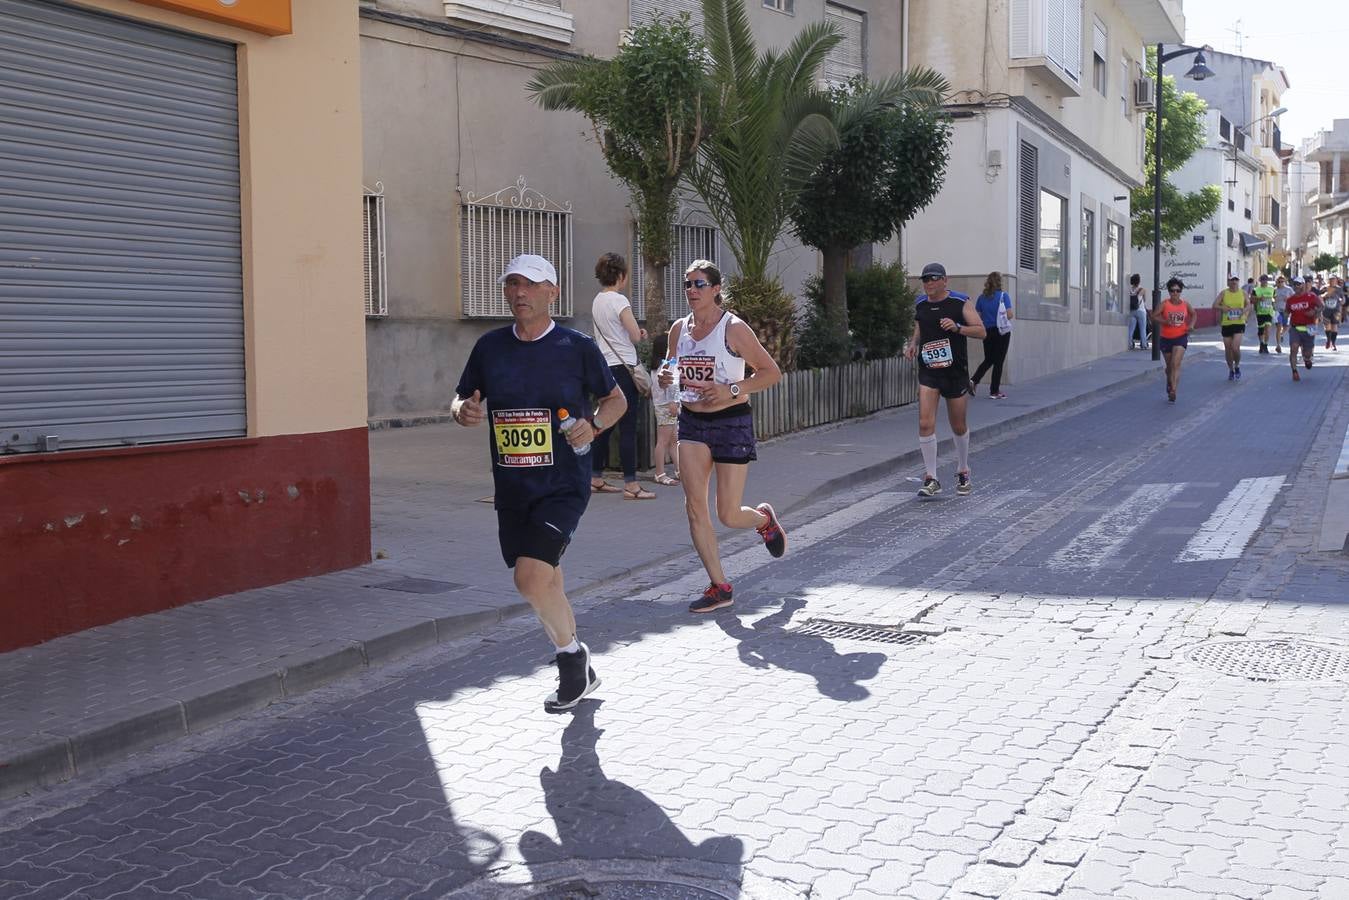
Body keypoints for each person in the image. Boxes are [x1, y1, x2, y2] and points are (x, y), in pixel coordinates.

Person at [451, 253, 627, 711]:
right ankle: (579, 664)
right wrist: (461, 412)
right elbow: (461, 398)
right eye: (511, 284)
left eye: (529, 284)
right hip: (512, 487)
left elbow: (616, 400)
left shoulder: (576, 347)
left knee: (528, 579)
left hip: (564, 483)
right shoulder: (490, 347)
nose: (519, 293)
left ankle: (570, 659)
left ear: (553, 292)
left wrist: (596, 425)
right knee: (546, 581)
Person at [658, 260, 786, 614]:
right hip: (693, 425)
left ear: (716, 289)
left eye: (699, 284)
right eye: (687, 285)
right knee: (695, 507)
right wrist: (666, 378)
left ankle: (764, 520)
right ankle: (720, 585)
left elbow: (770, 373)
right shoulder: (678, 329)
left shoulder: (734, 328)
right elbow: (669, 366)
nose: (692, 291)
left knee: (728, 514)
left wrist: (731, 388)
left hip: (731, 422)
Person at [905, 262, 986, 497]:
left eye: (933, 278)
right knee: (924, 423)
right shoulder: (920, 304)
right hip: (929, 370)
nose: (928, 283)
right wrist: (913, 344)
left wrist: (958, 327)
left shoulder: (960, 302)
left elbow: (981, 331)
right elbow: (920, 328)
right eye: (925, 279)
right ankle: (931, 477)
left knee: (958, 425)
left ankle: (963, 469)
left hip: (955, 372)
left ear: (944, 280)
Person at [587, 252, 654, 500]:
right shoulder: (619, 301)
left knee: (603, 423)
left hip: (603, 367)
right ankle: (631, 485)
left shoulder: (596, 301)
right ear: (621, 276)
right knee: (627, 426)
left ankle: (595, 477)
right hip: (624, 368)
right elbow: (635, 336)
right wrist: (641, 333)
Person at [969, 271, 1013, 398]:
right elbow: (1009, 315)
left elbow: (978, 316)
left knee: (989, 359)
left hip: (987, 331)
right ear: (999, 282)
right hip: (1002, 332)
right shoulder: (1004, 296)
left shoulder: (981, 298)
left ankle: (974, 380)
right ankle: (994, 391)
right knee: (998, 361)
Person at [1153, 277, 1195, 403]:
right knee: (1169, 367)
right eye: (1172, 291)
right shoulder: (1165, 304)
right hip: (1166, 338)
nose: (1175, 293)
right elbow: (1154, 316)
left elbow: (1194, 314)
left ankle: (1173, 390)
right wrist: (1165, 321)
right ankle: (1169, 381)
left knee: (1175, 364)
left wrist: (1191, 325)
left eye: (1177, 291)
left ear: (1180, 291)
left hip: (1181, 337)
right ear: (1169, 292)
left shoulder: (1185, 304)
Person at [649, 334, 680, 485]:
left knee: (673, 440)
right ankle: (660, 474)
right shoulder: (666, 366)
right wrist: (674, 402)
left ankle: (679, 470)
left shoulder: (656, 368)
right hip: (667, 406)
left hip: (662, 405)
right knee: (663, 441)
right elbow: (671, 386)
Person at [1212, 275, 1251, 380]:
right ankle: (1231, 369)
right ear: (1228, 281)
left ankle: (1237, 365)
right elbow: (1214, 305)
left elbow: (1249, 305)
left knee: (1235, 347)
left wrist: (1245, 311)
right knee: (1228, 349)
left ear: (1238, 281)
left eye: (1236, 280)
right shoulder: (1224, 293)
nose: (1234, 282)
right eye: (1232, 280)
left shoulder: (1243, 293)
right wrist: (1222, 307)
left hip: (1239, 323)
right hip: (1226, 323)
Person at [1285, 277, 1323, 381]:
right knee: (1294, 348)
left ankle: (1307, 359)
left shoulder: (1311, 296)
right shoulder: (1290, 300)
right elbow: (1286, 312)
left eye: (1299, 284)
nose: (1296, 286)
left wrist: (1315, 313)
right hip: (1295, 327)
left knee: (1308, 352)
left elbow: (1321, 306)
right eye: (1295, 284)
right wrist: (1281, 318)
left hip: (1309, 327)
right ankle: (1294, 371)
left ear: (1303, 285)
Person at [1252, 274, 1276, 354]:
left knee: (1268, 329)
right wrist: (1259, 298)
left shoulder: (1272, 289)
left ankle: (1266, 344)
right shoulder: (1256, 290)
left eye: (1265, 280)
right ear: (1260, 281)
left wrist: (1274, 304)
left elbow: (1275, 298)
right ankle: (1261, 343)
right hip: (1260, 312)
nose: (1264, 281)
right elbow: (1252, 300)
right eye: (1262, 280)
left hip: (1269, 312)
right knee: (1261, 331)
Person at [1127, 273, 1149, 351]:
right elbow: (1145, 300)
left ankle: (1129, 344)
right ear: (1139, 281)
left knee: (1130, 329)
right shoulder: (1142, 290)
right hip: (1141, 311)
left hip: (1132, 311)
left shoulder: (1128, 290)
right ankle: (1143, 345)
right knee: (1142, 329)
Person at [1273, 274, 1294, 353]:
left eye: (1282, 281)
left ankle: (1281, 334)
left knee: (1286, 326)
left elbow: (1294, 297)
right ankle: (1278, 345)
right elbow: (1270, 299)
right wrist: (1273, 299)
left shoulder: (1289, 289)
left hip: (1286, 311)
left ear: (1285, 282)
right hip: (1277, 311)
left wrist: (1288, 299)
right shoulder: (1274, 290)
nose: (1281, 283)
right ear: (1277, 282)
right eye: (1279, 281)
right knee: (1278, 327)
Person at [1322, 276, 1343, 351]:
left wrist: (1341, 300)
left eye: (1334, 280)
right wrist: (1325, 294)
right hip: (1326, 309)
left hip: (1336, 310)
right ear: (1328, 281)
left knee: (1334, 326)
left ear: (1336, 281)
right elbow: (1319, 297)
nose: (1332, 282)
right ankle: (1328, 339)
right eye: (1331, 280)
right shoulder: (1324, 288)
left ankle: (1333, 343)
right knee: (1327, 326)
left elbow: (1342, 298)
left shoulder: (1339, 288)